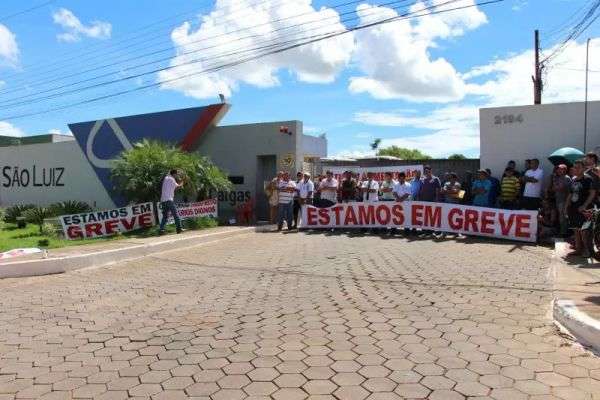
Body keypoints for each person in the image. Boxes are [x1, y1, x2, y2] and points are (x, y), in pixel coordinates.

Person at [565, 160, 597, 257]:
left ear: (583, 168)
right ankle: (578, 249)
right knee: (576, 229)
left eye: (578, 167)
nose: (576, 169)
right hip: (573, 208)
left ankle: (587, 251)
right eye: (575, 167)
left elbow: (592, 193)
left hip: (585, 210)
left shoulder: (588, 179)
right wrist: (566, 207)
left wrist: (585, 205)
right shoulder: (573, 179)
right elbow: (570, 194)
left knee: (585, 231)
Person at [159, 169, 184, 235]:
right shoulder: (172, 179)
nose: (177, 175)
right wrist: (182, 183)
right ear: (174, 174)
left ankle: (161, 229)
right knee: (176, 214)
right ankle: (179, 228)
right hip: (169, 200)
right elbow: (178, 187)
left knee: (165, 216)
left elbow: (169, 173)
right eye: (176, 174)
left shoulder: (166, 178)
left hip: (163, 200)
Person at [552, 164, 571, 237]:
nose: (558, 170)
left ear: (565, 170)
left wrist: (555, 183)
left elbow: (560, 188)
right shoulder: (559, 178)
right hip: (559, 199)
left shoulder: (566, 178)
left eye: (561, 169)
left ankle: (563, 233)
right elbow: (554, 188)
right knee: (560, 216)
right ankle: (562, 231)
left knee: (563, 216)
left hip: (564, 200)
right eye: (558, 169)